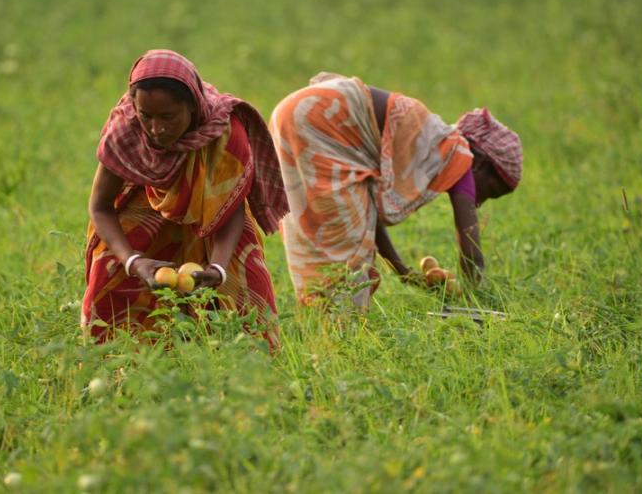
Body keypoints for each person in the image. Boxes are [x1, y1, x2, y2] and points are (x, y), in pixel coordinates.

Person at [82, 50, 289, 349]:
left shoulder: (224, 132)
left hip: (212, 215)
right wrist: (134, 262)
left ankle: (255, 374)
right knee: (111, 270)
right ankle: (117, 370)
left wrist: (217, 269)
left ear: (192, 107)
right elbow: (100, 207)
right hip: (147, 205)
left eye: (168, 117)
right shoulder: (125, 131)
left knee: (245, 288)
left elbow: (231, 208)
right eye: (146, 116)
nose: (156, 129)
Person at [268, 72, 522, 307]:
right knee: (346, 256)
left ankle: (324, 332)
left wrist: (404, 272)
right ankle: (342, 333)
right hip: (324, 119)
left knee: (331, 231)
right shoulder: (458, 154)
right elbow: (470, 246)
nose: (479, 203)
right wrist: (474, 298)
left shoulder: (429, 142)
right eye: (490, 191)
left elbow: (370, 214)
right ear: (481, 165)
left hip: (298, 110)